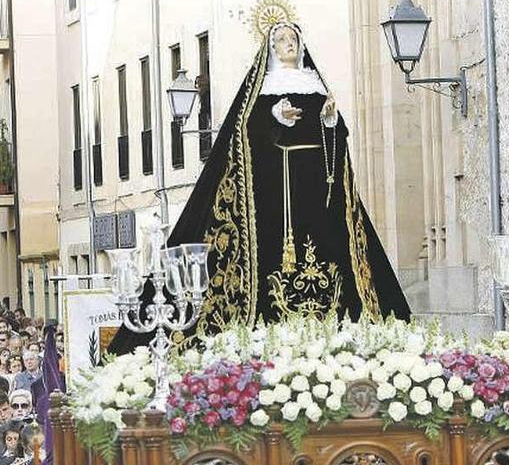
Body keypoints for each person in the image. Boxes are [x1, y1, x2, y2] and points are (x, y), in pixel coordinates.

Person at [108, 19, 410, 355]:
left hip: (316, 192)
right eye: (281, 40)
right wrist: (275, 117)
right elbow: (243, 136)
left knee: (330, 253)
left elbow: (338, 141)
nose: (288, 43)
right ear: (272, 49)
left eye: (293, 38)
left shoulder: (316, 86)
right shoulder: (262, 91)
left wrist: (329, 120)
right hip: (273, 195)